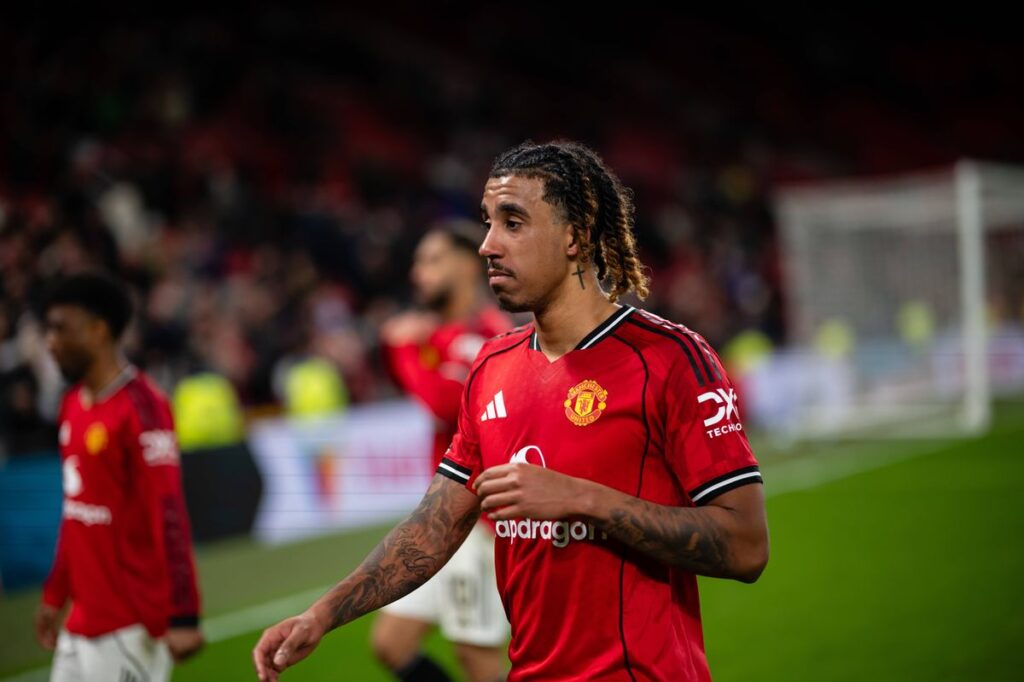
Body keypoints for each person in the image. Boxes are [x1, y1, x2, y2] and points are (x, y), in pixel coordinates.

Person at [253, 140, 769, 682]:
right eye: (488, 222)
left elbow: (745, 546)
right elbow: (433, 529)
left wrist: (582, 499)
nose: (487, 246)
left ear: (577, 235)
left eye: (513, 223)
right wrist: (322, 615)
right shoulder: (491, 366)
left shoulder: (669, 360)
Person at [35, 272, 204, 682]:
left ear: (98, 330)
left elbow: (169, 512)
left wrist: (184, 613)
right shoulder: (72, 404)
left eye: (61, 328)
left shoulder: (143, 408)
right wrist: (56, 593)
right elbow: (76, 511)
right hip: (81, 621)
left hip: (130, 624)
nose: (50, 342)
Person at [373, 220, 512, 682]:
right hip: (442, 517)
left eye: (431, 261)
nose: (418, 273)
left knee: (480, 663)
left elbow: (443, 404)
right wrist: (408, 347)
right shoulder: (438, 334)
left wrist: (403, 349)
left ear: (467, 265)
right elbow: (407, 386)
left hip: (476, 521)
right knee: (390, 644)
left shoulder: (488, 336)